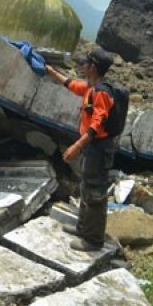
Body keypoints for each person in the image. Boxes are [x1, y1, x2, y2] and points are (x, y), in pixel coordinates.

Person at [45, 48, 117, 251]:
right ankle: (83, 228)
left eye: (85, 63)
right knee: (86, 186)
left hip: (99, 148)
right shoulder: (90, 88)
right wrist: (51, 71)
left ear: (92, 67)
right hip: (92, 147)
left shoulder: (101, 92)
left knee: (94, 192)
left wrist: (77, 146)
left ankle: (93, 240)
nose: (82, 66)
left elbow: (98, 123)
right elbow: (71, 84)